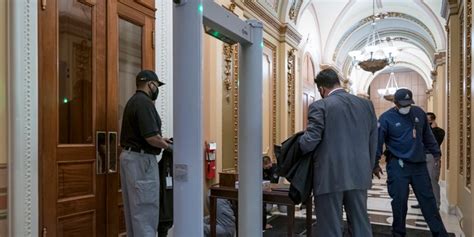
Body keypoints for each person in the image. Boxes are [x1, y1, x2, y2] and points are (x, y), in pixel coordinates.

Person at [299, 68, 377, 237]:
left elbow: (309, 143)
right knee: (360, 224)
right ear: (338, 82)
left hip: (329, 176)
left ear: (321, 89)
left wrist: (298, 141)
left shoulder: (320, 105)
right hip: (359, 174)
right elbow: (373, 142)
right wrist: (368, 168)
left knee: (330, 227)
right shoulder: (366, 105)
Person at [374, 88, 448, 237]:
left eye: (408, 103)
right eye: (402, 104)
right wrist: (374, 162)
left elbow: (428, 136)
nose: (406, 107)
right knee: (399, 202)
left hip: (419, 165)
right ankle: (398, 233)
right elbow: (378, 142)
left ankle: (440, 234)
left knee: (428, 202)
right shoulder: (386, 118)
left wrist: (436, 154)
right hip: (398, 165)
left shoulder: (419, 113)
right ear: (395, 103)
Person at [120, 70, 172, 237]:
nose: (157, 89)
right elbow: (151, 137)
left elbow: (144, 134)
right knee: (145, 212)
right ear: (150, 84)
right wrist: (169, 147)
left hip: (131, 158)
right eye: (156, 86)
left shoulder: (133, 102)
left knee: (134, 213)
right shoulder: (145, 103)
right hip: (141, 161)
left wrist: (161, 140)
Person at [412, 112, 445, 209]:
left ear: (432, 120)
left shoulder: (439, 131)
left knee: (432, 180)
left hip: (431, 156)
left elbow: (434, 140)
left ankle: (436, 204)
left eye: (427, 119)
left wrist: (433, 128)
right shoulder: (421, 130)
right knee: (420, 181)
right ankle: (421, 202)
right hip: (420, 156)